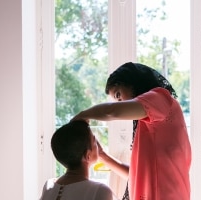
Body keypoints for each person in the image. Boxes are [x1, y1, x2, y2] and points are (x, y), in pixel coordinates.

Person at [71, 62, 192, 200]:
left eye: (118, 95)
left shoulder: (161, 99)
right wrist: (103, 156)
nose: (120, 103)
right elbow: (135, 175)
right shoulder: (147, 123)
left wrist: (82, 115)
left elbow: (111, 112)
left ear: (132, 83)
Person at [39, 120, 113, 200]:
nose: (98, 145)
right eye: (95, 141)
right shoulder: (100, 191)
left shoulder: (48, 186)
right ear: (87, 155)